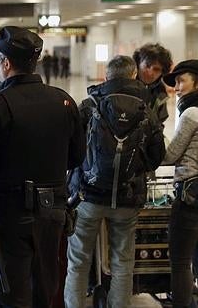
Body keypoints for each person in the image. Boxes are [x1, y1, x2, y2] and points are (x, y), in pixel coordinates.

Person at [0, 26, 86, 307]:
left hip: (10, 216)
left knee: (9, 294)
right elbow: (76, 158)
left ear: (6, 63)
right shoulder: (63, 101)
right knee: (44, 289)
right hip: (52, 213)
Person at [64, 55, 166, 308]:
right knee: (123, 263)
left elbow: (70, 149)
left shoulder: (89, 106)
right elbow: (156, 156)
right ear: (134, 76)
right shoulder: (147, 110)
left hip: (87, 196)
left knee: (78, 262)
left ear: (107, 77)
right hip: (127, 199)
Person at [161, 60, 198, 308]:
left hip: (190, 198)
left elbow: (170, 155)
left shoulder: (191, 113)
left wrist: (158, 134)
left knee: (181, 261)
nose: (176, 87)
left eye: (181, 80)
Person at [133, 43, 173, 124]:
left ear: (162, 72)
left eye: (156, 69)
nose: (150, 72)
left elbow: (159, 121)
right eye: (147, 66)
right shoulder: (125, 85)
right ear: (138, 64)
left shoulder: (160, 92)